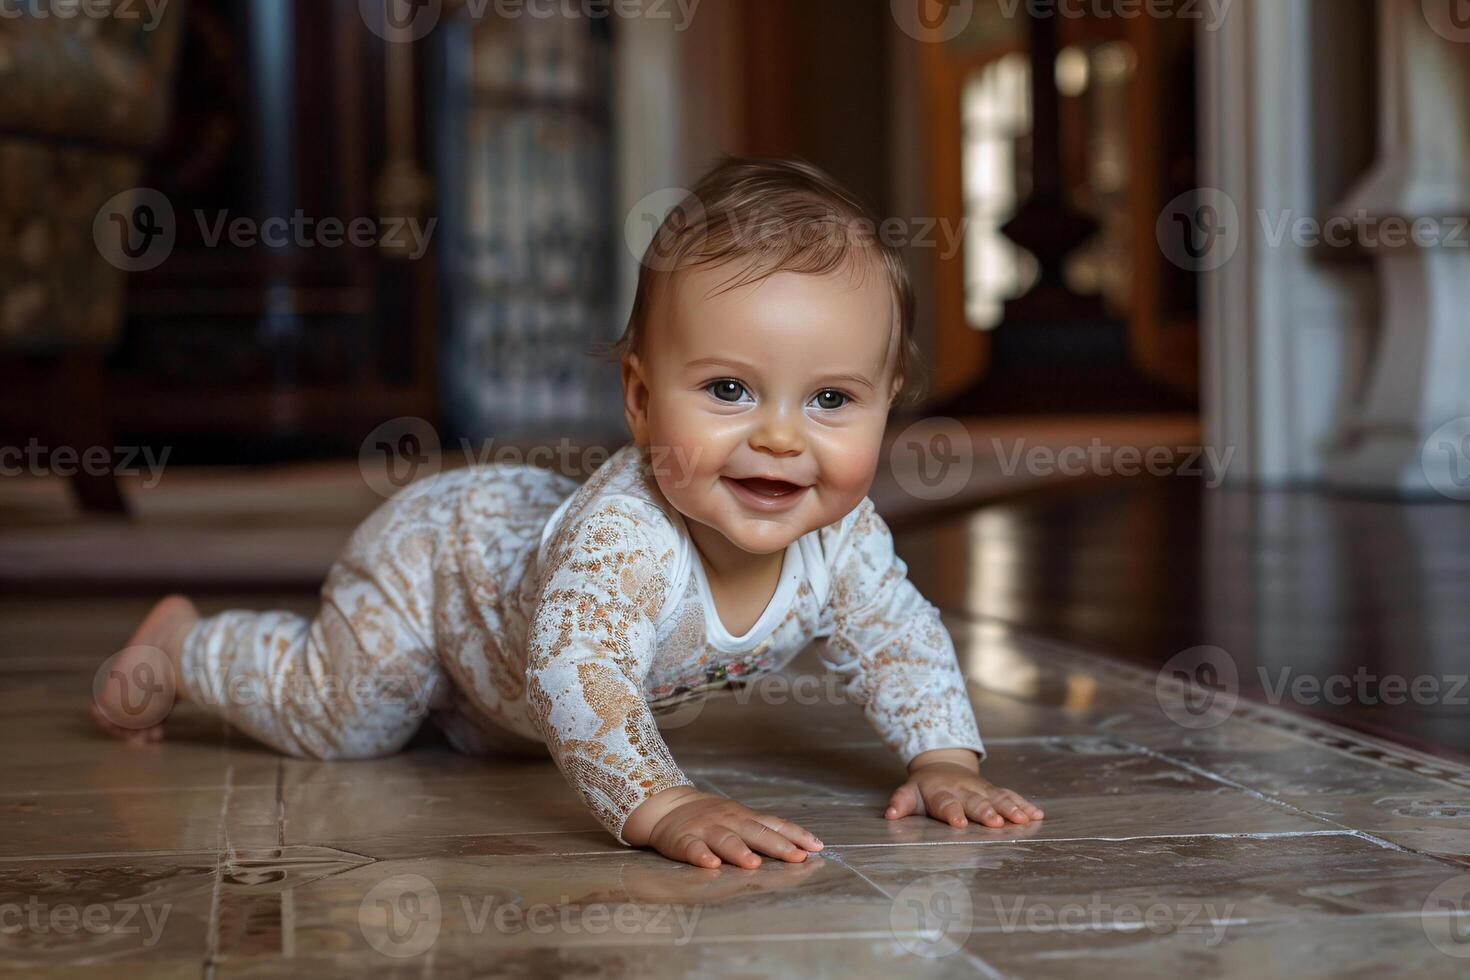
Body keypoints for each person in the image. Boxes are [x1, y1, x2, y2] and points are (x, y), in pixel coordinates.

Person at [94, 156, 1043, 869]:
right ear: (638, 400)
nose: (782, 440)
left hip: (502, 677)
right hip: (440, 562)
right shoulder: (620, 543)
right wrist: (663, 802)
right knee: (348, 719)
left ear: (889, 404)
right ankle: (187, 647)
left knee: (496, 733)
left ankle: (461, 705)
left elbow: (898, 635)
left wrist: (944, 758)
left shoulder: (845, 535)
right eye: (727, 390)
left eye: (832, 400)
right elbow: (578, 673)